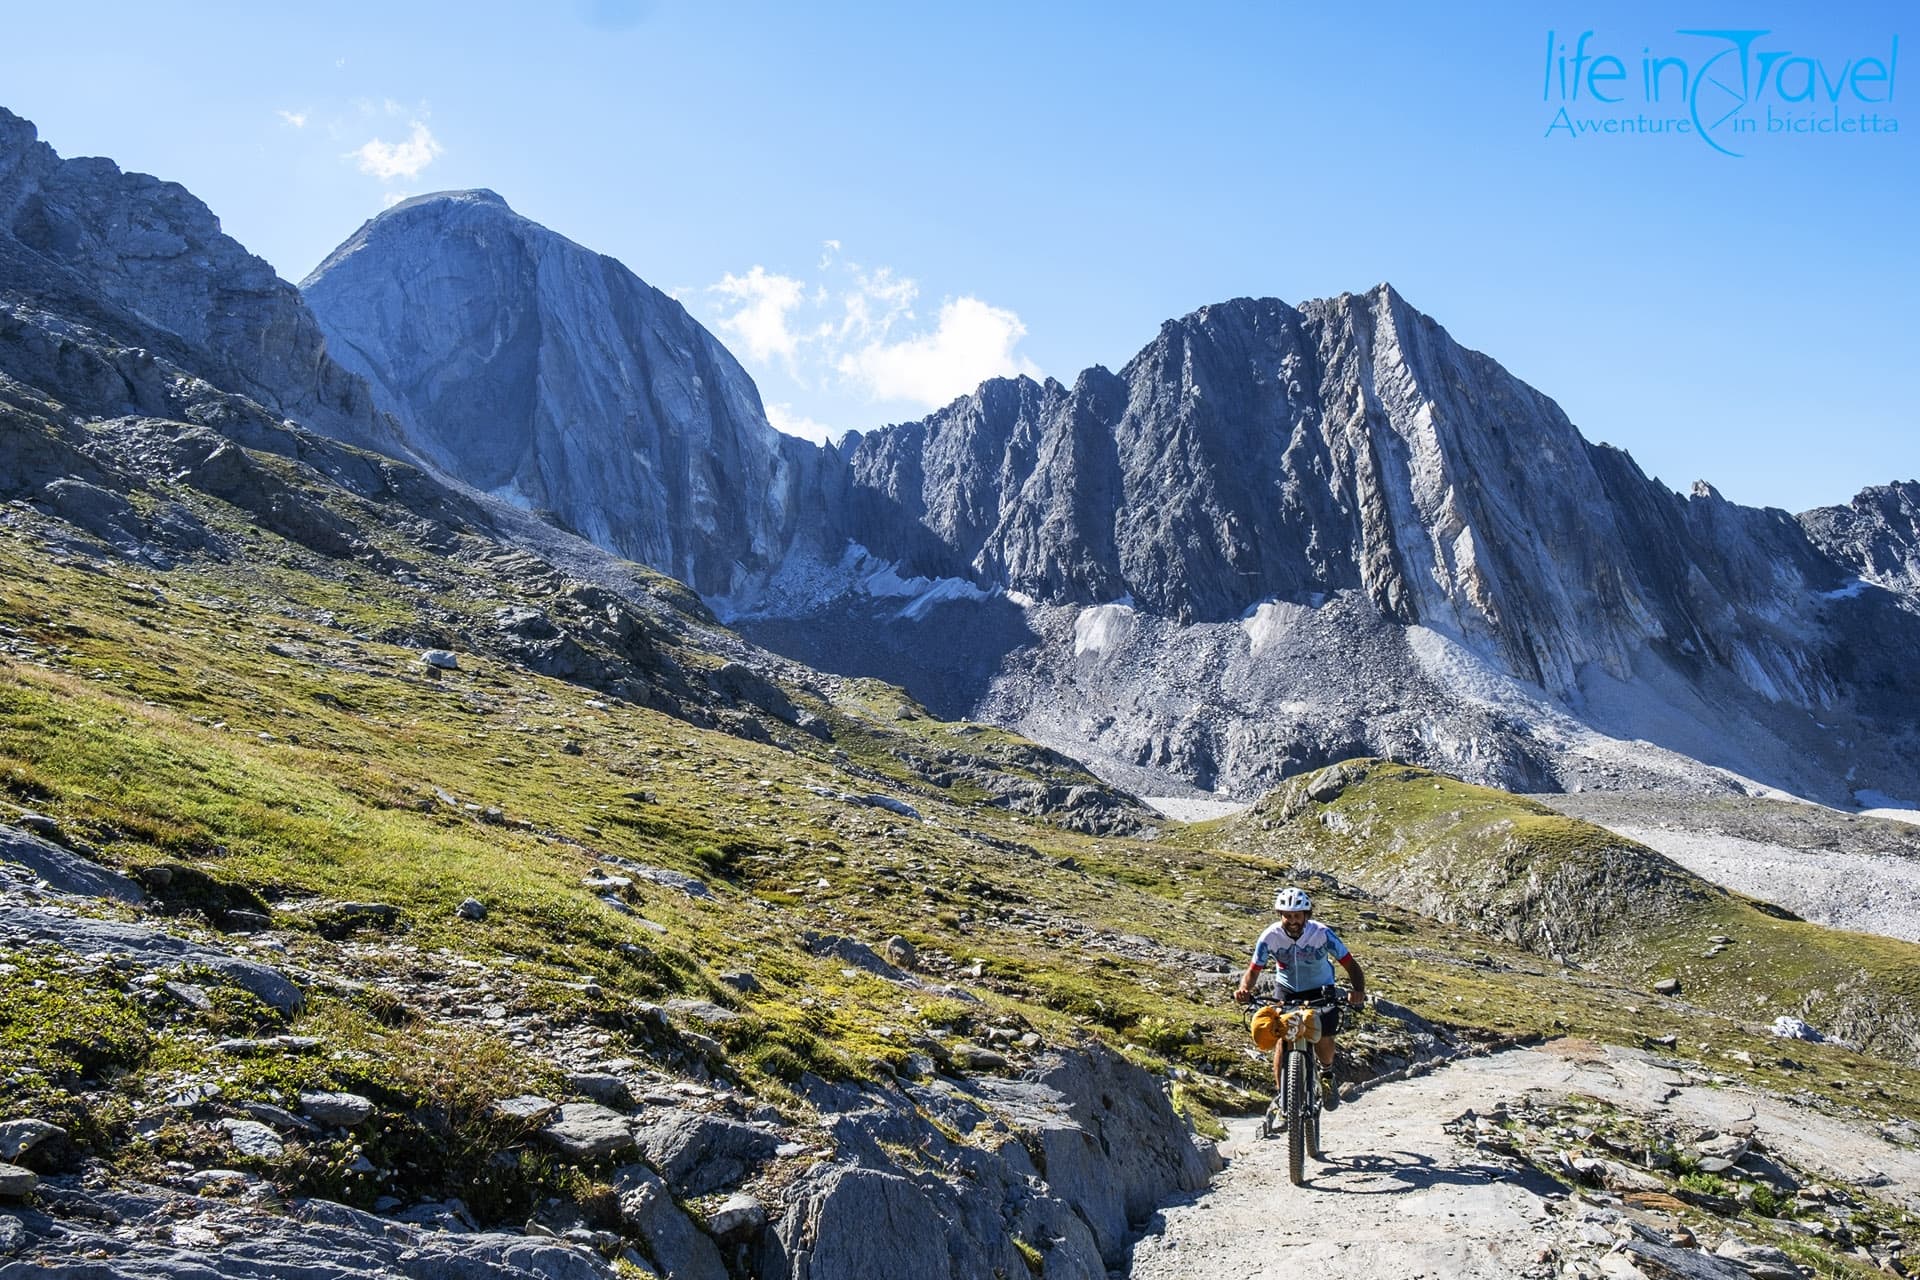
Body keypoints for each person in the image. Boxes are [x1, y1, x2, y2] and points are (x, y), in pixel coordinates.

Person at [1233, 885, 1365, 1109]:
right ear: (1280, 916)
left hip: (1320, 990)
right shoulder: (1270, 937)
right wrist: (1244, 989)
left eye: (1297, 916)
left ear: (1306, 915)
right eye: (1287, 916)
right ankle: (1283, 1099)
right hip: (1287, 991)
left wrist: (1358, 991)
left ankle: (1326, 1074)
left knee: (1323, 1036)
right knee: (1281, 1040)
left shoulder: (1322, 934)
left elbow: (1350, 965)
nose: (1292, 921)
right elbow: (1254, 970)